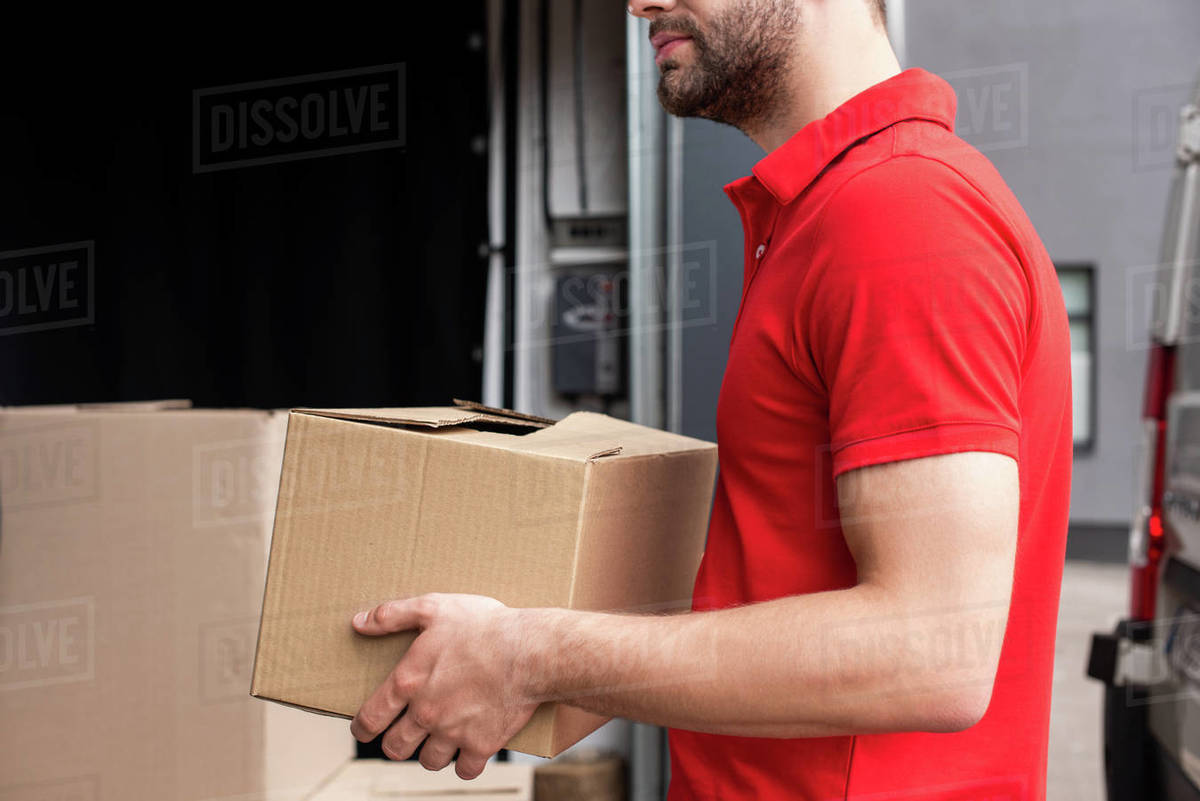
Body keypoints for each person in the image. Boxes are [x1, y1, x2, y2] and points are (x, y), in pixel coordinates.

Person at [349, 1, 1073, 798]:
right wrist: (571, 660)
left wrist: (533, 655)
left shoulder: (899, 213)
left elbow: (932, 652)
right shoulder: (829, 208)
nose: (638, 1)